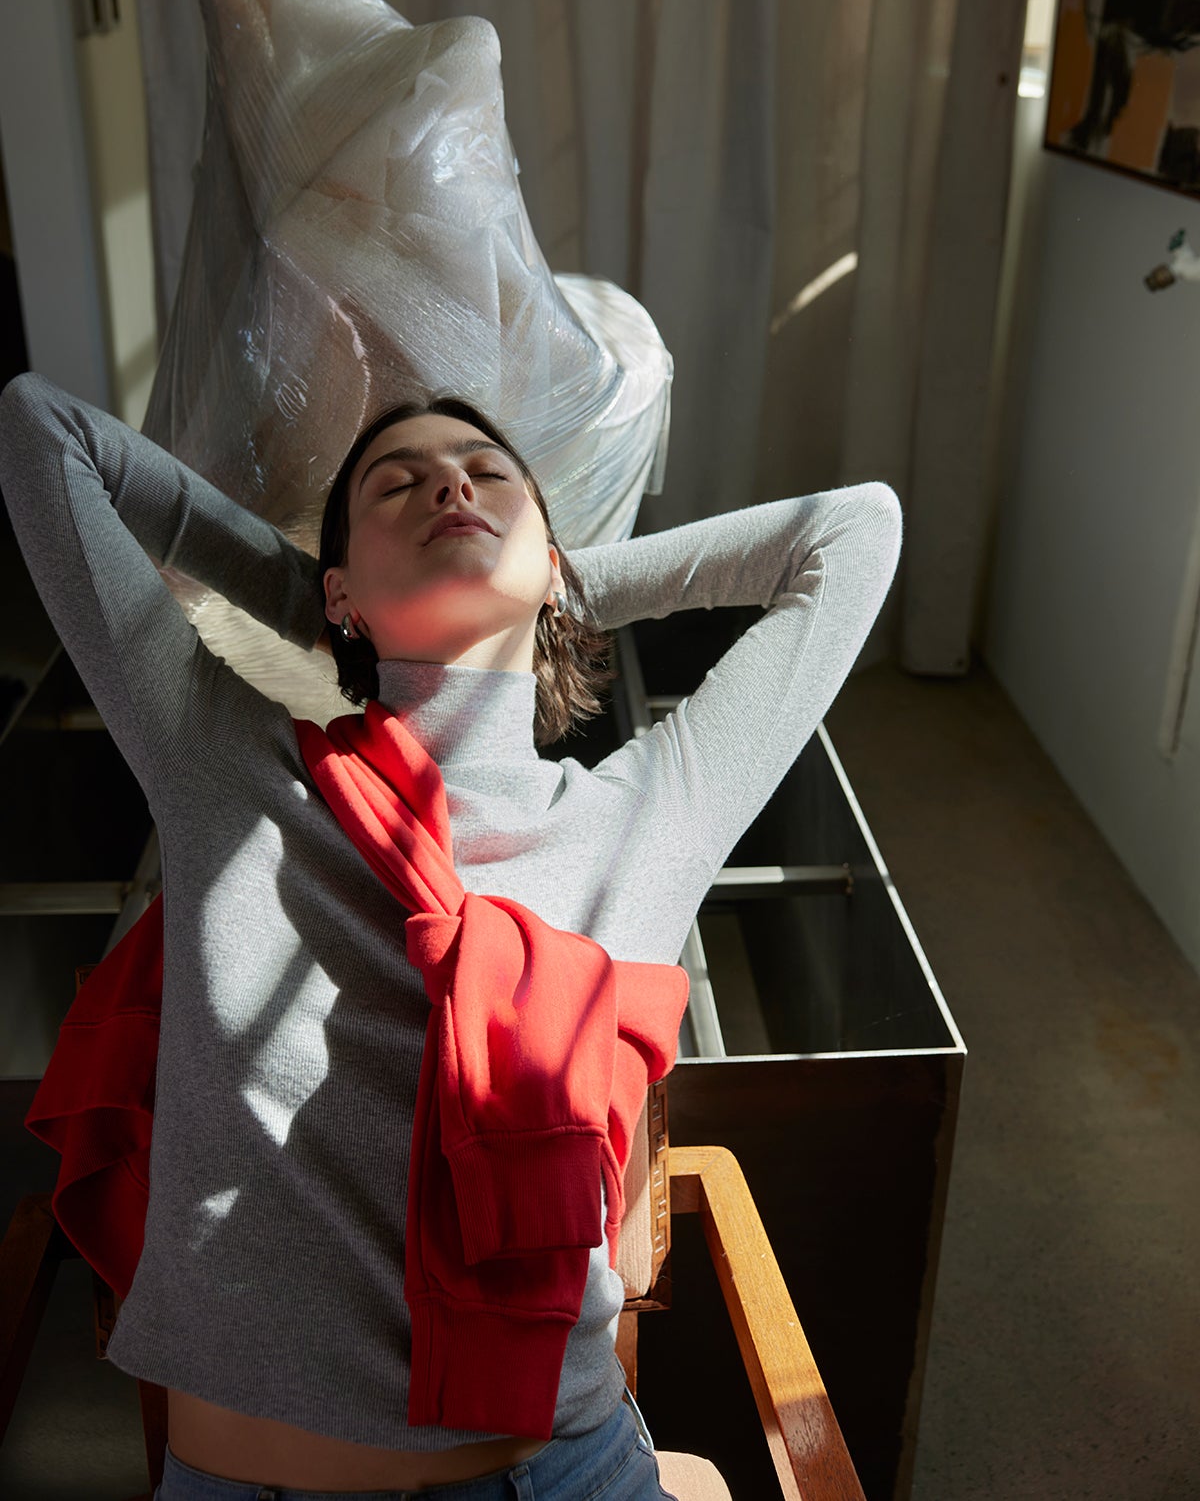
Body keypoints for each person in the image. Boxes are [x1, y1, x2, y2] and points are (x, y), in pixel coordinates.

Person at [0, 371, 901, 1499]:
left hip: (553, 1476)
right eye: (398, 483)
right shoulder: (227, 767)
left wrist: (555, 584)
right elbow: (44, 429)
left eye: (488, 477)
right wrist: (313, 594)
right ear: (334, 589)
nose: (448, 483)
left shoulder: (643, 814)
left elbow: (857, 527)